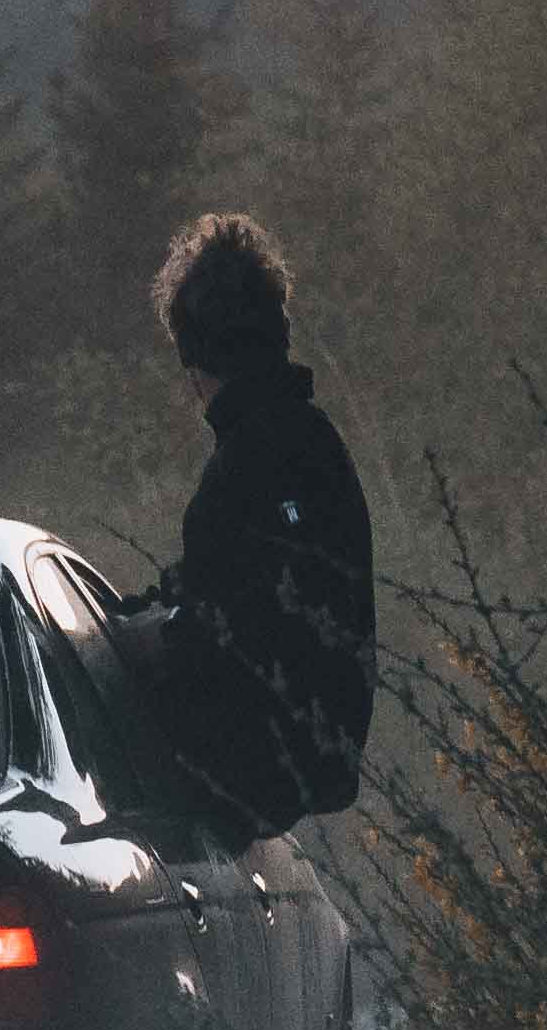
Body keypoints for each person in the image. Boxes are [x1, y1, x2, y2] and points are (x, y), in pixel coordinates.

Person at [115, 209, 375, 838]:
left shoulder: (258, 457)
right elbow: (236, 581)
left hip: (255, 771)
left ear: (194, 358)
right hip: (294, 763)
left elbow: (252, 620)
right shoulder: (306, 440)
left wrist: (156, 638)